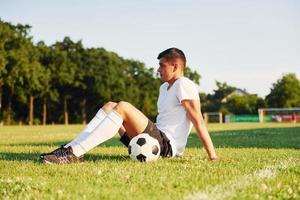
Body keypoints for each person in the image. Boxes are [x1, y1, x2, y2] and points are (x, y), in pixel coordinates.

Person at [40, 47, 218, 164]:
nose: (158, 70)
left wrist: (213, 156)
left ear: (175, 66)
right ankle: (69, 149)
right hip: (152, 139)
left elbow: (198, 121)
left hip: (166, 146)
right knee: (110, 106)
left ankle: (74, 153)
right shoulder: (164, 87)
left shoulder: (184, 84)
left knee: (123, 106)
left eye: (162, 66)